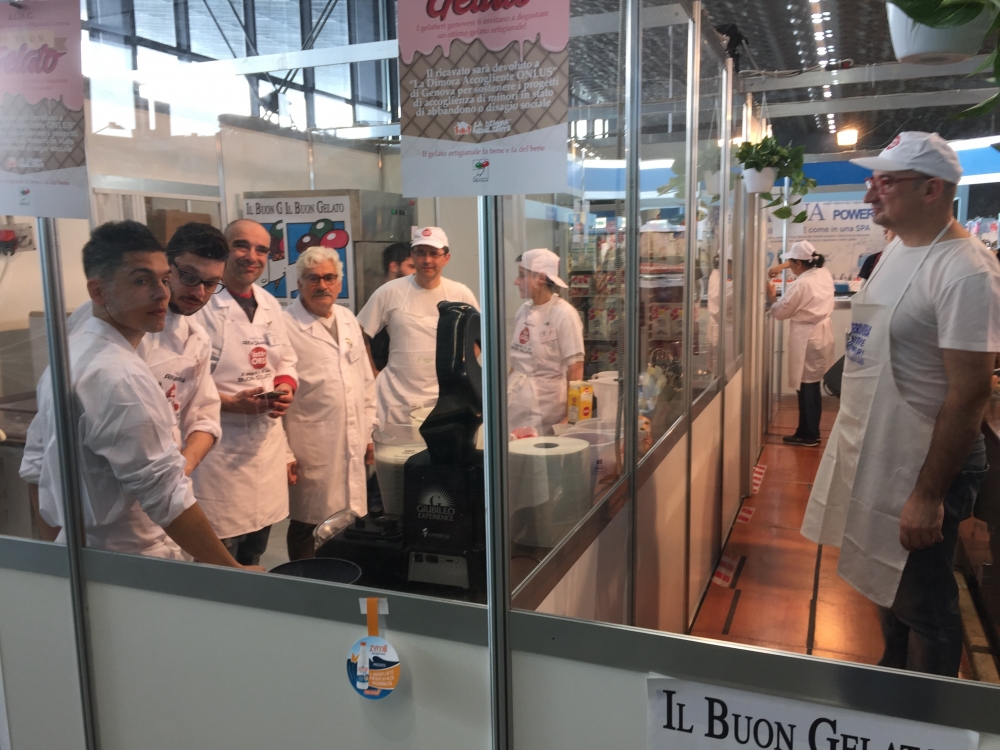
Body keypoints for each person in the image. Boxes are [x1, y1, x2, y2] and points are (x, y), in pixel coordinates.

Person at [802, 131, 1000, 676]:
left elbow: (970, 393)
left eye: (885, 182)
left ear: (932, 189)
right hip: (880, 447)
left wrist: (929, 496)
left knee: (923, 604)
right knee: (884, 585)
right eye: (873, 180)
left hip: (924, 462)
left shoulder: (967, 271)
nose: (870, 193)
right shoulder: (896, 250)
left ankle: (927, 709)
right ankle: (892, 683)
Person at [22, 221, 254, 568]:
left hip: (97, 545)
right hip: (129, 550)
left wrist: (59, 551)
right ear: (98, 292)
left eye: (162, 280)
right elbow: (164, 493)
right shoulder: (119, 373)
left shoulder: (91, 349)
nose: (162, 294)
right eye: (141, 281)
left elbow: (203, 417)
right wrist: (232, 571)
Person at [191, 218, 299, 567]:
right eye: (241, 245)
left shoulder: (269, 304)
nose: (252, 256)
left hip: (264, 448)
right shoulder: (200, 305)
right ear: (224, 248)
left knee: (255, 550)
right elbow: (186, 379)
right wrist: (230, 404)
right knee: (217, 560)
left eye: (261, 250)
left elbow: (286, 361)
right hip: (217, 453)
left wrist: (284, 388)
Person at [283, 247, 376, 560]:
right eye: (313, 278)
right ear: (299, 283)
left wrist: (369, 433)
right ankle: (306, 582)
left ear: (339, 282)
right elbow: (275, 399)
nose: (321, 285)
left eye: (329, 278)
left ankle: (342, 578)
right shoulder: (284, 326)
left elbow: (366, 382)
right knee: (307, 523)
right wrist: (283, 453)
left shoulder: (347, 318)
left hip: (352, 438)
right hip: (309, 446)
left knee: (348, 520)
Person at [356, 226, 479, 429]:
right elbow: (359, 332)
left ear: (446, 258)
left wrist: (462, 366)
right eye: (420, 252)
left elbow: (480, 337)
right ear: (413, 256)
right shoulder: (389, 292)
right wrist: (372, 373)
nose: (427, 260)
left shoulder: (460, 293)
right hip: (396, 400)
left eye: (434, 253)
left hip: (445, 399)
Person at [507, 248, 585, 435]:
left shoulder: (564, 315)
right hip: (516, 406)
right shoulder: (523, 311)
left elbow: (576, 370)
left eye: (521, 276)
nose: (516, 281)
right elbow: (516, 363)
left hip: (547, 410)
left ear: (540, 278)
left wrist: (570, 417)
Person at [766, 241, 835, 447]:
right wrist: (781, 266)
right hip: (821, 334)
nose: (789, 266)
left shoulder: (800, 284)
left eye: (791, 262)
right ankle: (806, 430)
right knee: (811, 384)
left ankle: (809, 434)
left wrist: (772, 298)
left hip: (807, 338)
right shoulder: (822, 273)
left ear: (798, 263)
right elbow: (802, 263)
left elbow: (781, 313)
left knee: (807, 387)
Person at [369, 242, 417, 372]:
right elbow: (362, 338)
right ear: (394, 266)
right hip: (386, 375)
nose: (417, 272)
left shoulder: (411, 297)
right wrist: (374, 374)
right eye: (412, 266)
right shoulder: (380, 298)